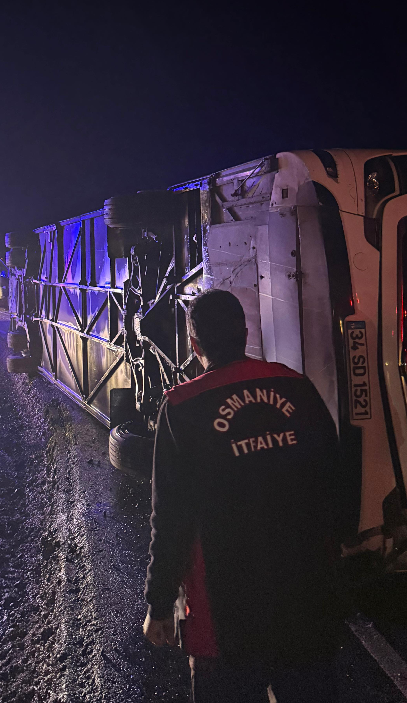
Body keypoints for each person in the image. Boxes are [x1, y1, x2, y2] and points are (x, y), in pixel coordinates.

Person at [143, 289, 342, 702]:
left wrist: (159, 604)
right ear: (246, 333)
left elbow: (172, 519)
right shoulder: (296, 386)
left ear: (195, 345)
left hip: (226, 617)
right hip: (306, 603)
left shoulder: (182, 407)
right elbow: (333, 483)